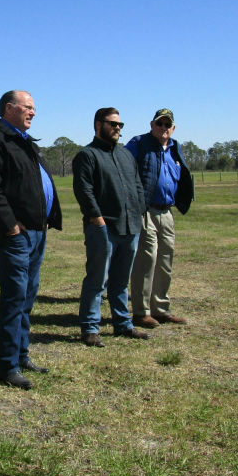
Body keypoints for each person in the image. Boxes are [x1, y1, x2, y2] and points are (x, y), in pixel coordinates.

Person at [0, 90, 62, 390]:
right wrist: (10, 226)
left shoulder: (25, 142)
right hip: (14, 236)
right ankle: (8, 366)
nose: (33, 112)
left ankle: (22, 355)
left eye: (34, 108)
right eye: (28, 107)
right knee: (14, 297)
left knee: (28, 296)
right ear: (9, 108)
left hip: (37, 232)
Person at [72, 107, 148, 346]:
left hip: (130, 226)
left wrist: (139, 212)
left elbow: (137, 185)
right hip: (103, 228)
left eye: (120, 125)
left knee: (120, 280)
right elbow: (84, 190)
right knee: (97, 280)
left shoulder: (126, 155)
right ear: (98, 125)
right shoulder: (88, 155)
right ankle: (90, 329)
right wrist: (97, 218)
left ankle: (123, 324)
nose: (118, 128)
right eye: (113, 123)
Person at [125, 108, 194, 328]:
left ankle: (161, 309)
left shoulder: (175, 148)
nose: (163, 128)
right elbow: (125, 169)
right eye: (159, 124)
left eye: (167, 125)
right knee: (147, 260)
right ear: (151, 125)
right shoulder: (139, 144)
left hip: (167, 211)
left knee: (165, 260)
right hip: (146, 210)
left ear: (173, 128)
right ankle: (141, 311)